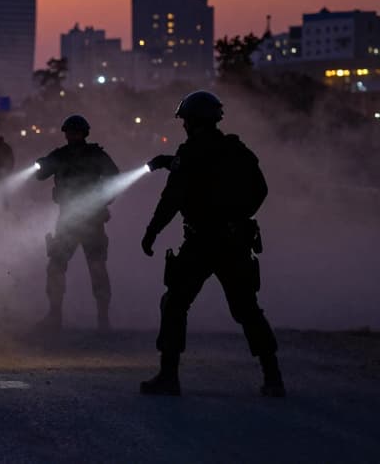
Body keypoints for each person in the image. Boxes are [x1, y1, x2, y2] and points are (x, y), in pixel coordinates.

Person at [140, 91, 284, 397]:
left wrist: (152, 232)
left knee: (174, 304)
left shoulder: (189, 153)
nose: (184, 126)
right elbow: (260, 190)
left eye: (186, 121)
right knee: (247, 309)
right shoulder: (235, 150)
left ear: (193, 121)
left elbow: (171, 200)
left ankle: (168, 377)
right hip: (234, 242)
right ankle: (273, 378)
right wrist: (236, 217)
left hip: (200, 243)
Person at [34, 114, 120, 331]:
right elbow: (40, 174)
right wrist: (41, 165)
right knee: (56, 266)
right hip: (69, 220)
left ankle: (103, 318)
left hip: (90, 219)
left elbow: (114, 178)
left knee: (96, 268)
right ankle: (55, 315)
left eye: (75, 132)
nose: (72, 136)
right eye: (69, 132)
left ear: (83, 133)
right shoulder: (62, 155)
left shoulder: (94, 154)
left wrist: (102, 198)